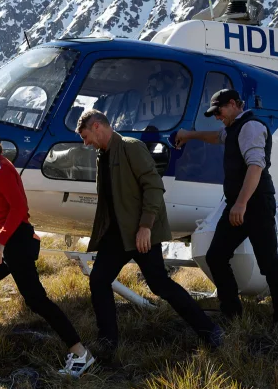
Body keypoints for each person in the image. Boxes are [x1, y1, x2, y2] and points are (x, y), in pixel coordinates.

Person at [0, 127, 95, 377]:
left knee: (37, 300)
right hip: (12, 243)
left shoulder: (0, 169)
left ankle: (81, 354)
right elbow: (9, 206)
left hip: (15, 244)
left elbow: (19, 208)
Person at [76, 110, 222, 358]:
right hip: (117, 235)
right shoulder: (103, 154)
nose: (85, 143)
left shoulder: (132, 148)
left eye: (86, 136)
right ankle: (108, 343)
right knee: (99, 280)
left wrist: (145, 226)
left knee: (160, 285)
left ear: (98, 126)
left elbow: (154, 186)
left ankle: (210, 332)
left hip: (141, 233)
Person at [175, 89, 278, 326]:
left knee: (269, 263)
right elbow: (216, 137)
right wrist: (189, 135)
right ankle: (232, 314)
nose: (218, 117)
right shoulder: (234, 128)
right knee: (216, 256)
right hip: (236, 205)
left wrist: (240, 204)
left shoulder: (250, 127)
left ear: (232, 104)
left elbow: (255, 167)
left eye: (218, 112)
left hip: (256, 204)